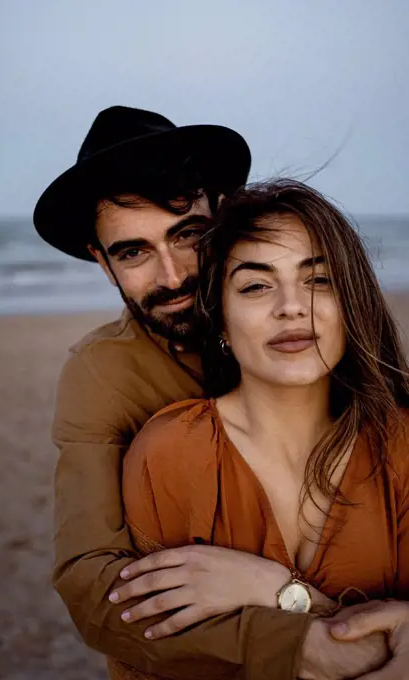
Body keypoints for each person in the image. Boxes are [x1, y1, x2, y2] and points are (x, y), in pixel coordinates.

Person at [34, 107, 389, 680]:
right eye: (133, 252)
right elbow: (91, 583)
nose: (172, 277)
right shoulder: (103, 373)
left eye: (188, 235)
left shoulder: (322, 331)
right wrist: (300, 638)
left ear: (224, 215)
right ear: (103, 265)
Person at [121, 179, 409, 679]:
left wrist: (277, 590)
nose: (291, 306)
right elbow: (159, 650)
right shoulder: (169, 453)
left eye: (319, 280)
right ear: (223, 322)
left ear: (351, 303)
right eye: (256, 285)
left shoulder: (400, 445)